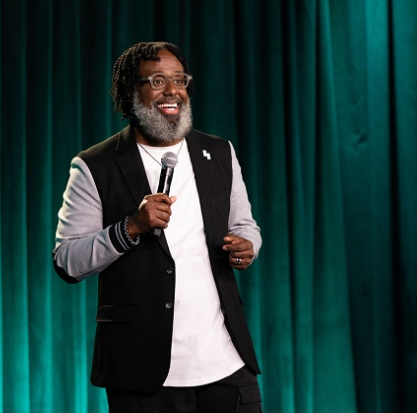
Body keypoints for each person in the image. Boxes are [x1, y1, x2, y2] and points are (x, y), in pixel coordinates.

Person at [53, 41, 263, 412]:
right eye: (157, 81)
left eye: (179, 80)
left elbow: (244, 224)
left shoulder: (219, 152)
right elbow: (68, 261)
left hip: (226, 363)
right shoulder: (94, 166)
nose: (172, 91)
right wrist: (129, 228)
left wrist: (247, 245)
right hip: (142, 372)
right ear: (129, 92)